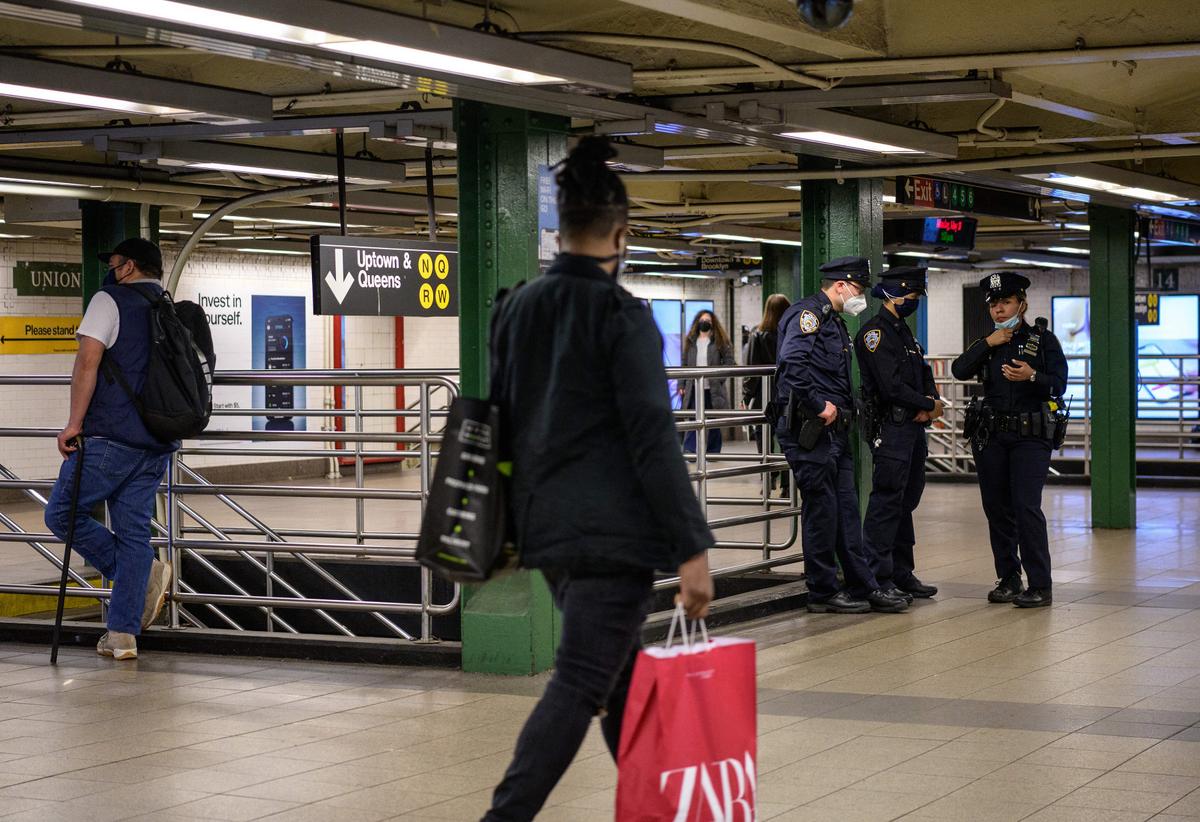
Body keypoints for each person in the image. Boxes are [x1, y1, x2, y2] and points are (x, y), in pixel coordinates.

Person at [482, 137, 714, 822]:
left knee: (623, 678)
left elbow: (502, 421)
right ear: (621, 232)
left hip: (549, 533)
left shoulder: (515, 308)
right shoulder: (622, 316)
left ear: (560, 229)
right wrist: (692, 546)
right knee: (584, 681)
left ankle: (664, 812)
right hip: (614, 540)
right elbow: (652, 438)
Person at [44, 237, 176, 661]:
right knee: (135, 532)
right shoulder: (169, 308)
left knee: (61, 513)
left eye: (115, 261)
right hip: (156, 441)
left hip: (109, 439)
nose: (112, 268)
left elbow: (87, 362)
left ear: (129, 267)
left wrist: (73, 424)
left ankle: (135, 579)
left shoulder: (109, 299)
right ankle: (122, 636)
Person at [773, 256, 908, 615]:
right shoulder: (810, 316)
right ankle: (821, 591)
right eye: (859, 289)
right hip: (810, 429)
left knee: (846, 511)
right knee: (823, 511)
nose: (860, 297)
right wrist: (819, 405)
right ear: (841, 286)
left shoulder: (834, 322)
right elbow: (792, 364)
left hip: (835, 433)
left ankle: (863, 585)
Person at [951, 272, 1068, 608]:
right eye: (994, 304)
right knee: (997, 508)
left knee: (1026, 506)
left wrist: (1032, 376)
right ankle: (1008, 578)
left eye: (1006, 303)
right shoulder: (988, 343)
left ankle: (1040, 584)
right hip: (992, 436)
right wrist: (988, 343)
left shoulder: (1043, 340)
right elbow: (959, 370)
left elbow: (1059, 382)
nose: (999, 310)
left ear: (1022, 303)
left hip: (1030, 436)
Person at [854, 266, 943, 604]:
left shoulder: (904, 333)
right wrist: (926, 404)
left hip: (912, 427)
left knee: (907, 500)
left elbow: (921, 371)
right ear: (895, 294)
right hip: (891, 429)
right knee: (887, 501)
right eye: (913, 295)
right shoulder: (875, 334)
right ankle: (878, 576)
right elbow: (891, 386)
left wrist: (930, 402)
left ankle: (901, 571)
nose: (915, 301)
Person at [744, 294, 791, 491]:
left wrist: (746, 396)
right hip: (787, 394)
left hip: (764, 395)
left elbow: (752, 369)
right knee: (787, 440)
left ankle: (769, 476)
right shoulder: (791, 332)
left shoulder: (758, 335)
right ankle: (788, 483)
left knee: (763, 439)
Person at [680, 309, 735, 454]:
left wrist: (719, 378)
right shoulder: (690, 341)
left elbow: (730, 362)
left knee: (713, 421)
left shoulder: (720, 341)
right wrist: (681, 385)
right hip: (693, 388)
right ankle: (690, 450)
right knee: (693, 419)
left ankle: (713, 451)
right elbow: (684, 365)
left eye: (708, 321)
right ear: (698, 322)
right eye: (703, 320)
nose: (705, 323)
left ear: (713, 324)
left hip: (712, 389)